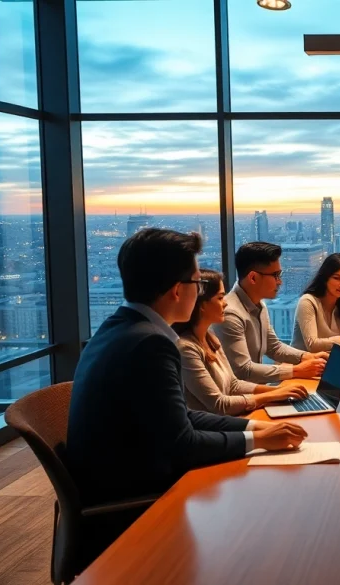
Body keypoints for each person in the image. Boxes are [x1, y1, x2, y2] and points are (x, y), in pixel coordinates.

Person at [66, 229, 307, 569]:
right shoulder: (152, 344)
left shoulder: (120, 328)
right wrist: (256, 440)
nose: (202, 291)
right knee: (266, 510)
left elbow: (181, 419)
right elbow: (182, 445)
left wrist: (253, 428)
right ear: (178, 290)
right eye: (197, 282)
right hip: (135, 509)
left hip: (120, 480)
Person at [174, 269, 310, 415]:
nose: (225, 304)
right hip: (211, 430)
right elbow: (219, 405)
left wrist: (280, 391)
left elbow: (233, 385)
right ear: (202, 305)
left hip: (227, 421)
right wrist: (272, 395)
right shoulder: (186, 348)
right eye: (220, 298)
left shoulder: (210, 339)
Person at [213, 242, 328, 383]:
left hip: (257, 393)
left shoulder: (259, 303)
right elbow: (243, 370)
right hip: (242, 400)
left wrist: (307, 357)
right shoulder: (231, 314)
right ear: (253, 278)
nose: (279, 282)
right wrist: (297, 370)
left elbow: (273, 347)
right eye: (276, 275)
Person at [292, 253, 340, 352]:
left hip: (333, 361)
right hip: (303, 364)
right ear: (325, 278)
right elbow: (313, 345)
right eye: (337, 278)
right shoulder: (307, 302)